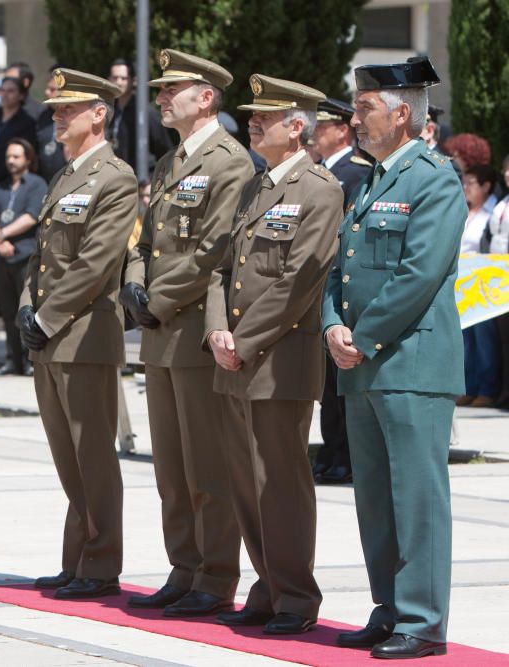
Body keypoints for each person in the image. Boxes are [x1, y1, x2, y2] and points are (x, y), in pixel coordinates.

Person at [323, 56, 465, 659]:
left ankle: (423, 621)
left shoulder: (435, 178)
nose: (354, 118)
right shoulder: (373, 178)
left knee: (417, 499)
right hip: (363, 364)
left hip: (409, 363)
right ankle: (389, 606)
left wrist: (362, 336)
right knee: (375, 498)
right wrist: (332, 323)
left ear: (403, 113)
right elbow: (343, 268)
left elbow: (419, 274)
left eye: (364, 108)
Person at [205, 74, 341, 634]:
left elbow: (300, 279)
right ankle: (268, 583)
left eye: (267, 117)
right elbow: (221, 269)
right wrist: (217, 331)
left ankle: (296, 597)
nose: (254, 123)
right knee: (244, 480)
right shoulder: (254, 188)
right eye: (253, 116)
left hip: (279, 357)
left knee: (279, 481)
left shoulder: (320, 189)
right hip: (234, 355)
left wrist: (245, 339)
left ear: (297, 127)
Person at [120, 49, 252, 616]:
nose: (160, 97)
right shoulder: (169, 162)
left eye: (171, 88)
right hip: (158, 333)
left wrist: (158, 297)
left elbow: (214, 253)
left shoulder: (230, 162)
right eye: (158, 89)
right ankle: (184, 566)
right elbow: (145, 241)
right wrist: (132, 282)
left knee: (207, 467)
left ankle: (215, 576)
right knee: (171, 468)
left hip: (196, 330)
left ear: (205, 98)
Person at [19, 68, 137, 599]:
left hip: (85, 335)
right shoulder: (63, 176)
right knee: (68, 458)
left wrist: (44, 318)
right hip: (49, 337)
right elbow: (43, 259)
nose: (58, 116)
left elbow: (95, 263)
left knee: (93, 456)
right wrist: (27, 308)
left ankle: (101, 562)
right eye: (56, 109)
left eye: (70, 108)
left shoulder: (114, 177)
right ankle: (77, 558)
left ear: (99, 113)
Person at [310, 98, 372, 485]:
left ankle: (345, 455)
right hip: (324, 291)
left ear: (341, 131)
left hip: (345, 290)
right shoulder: (319, 172)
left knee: (343, 383)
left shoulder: (354, 172)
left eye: (321, 127)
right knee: (327, 386)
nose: (313, 133)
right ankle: (330, 450)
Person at [0, 138, 46, 376]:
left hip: (25, 256)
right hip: (2, 257)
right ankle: (13, 359)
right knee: (8, 309)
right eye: (8, 156)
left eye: (16, 157)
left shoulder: (36, 184)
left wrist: (2, 234)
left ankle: (31, 359)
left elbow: (32, 216)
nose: (11, 161)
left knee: (28, 309)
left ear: (28, 159)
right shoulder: (0, 187)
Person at [457, 164, 501, 408]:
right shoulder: (467, 210)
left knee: (484, 337)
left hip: (485, 284)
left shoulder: (494, 209)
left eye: (471, 183)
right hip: (464, 283)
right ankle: (469, 386)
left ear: (486, 186)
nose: (466, 187)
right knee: (466, 338)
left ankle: (487, 388)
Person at [106, 58, 174, 174]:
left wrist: (152, 181)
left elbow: (165, 149)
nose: (118, 82)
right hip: (117, 179)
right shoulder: (108, 111)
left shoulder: (146, 112)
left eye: (124, 78)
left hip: (143, 182)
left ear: (134, 81)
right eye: (115, 78)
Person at [0, 77, 37, 186]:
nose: (5, 95)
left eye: (10, 91)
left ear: (21, 95)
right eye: (2, 90)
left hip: (7, 182)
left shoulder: (26, 122)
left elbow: (23, 156)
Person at [489, 155, 509, 408]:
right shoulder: (502, 201)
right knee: (503, 341)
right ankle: (503, 390)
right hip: (498, 280)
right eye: (505, 170)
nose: (507, 175)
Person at [35, 67, 68, 183]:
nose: (46, 92)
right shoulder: (43, 116)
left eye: (52, 89)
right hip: (44, 181)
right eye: (47, 88)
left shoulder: (74, 117)